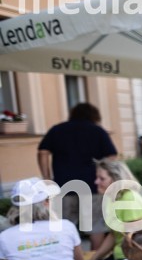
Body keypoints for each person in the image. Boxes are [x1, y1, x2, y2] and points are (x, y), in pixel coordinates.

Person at [37, 102, 117, 249]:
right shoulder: (98, 131)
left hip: (63, 186)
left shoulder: (57, 130)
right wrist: (104, 176)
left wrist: (47, 179)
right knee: (96, 227)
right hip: (93, 186)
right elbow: (111, 156)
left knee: (63, 228)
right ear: (94, 116)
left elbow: (43, 152)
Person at [83, 160, 142, 260]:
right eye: (97, 178)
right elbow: (115, 235)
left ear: (116, 180)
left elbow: (134, 238)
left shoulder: (129, 199)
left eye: (102, 178)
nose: (96, 182)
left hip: (132, 258)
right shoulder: (112, 199)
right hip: (121, 256)